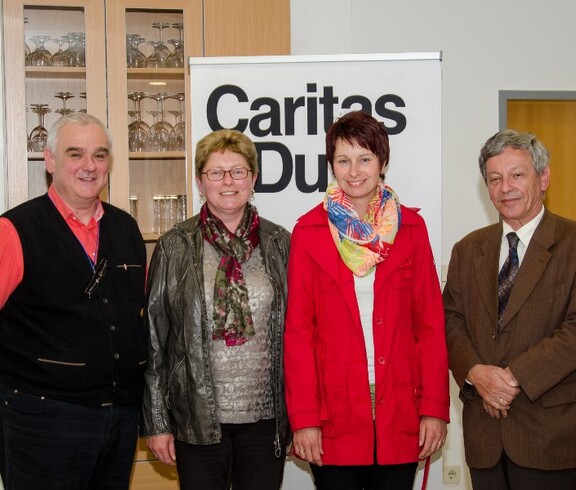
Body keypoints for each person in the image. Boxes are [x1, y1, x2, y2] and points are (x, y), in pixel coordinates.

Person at [284, 110, 449, 490]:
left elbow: (430, 325)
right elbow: (298, 335)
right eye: (343, 160)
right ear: (331, 166)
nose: (354, 171)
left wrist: (434, 409)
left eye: (365, 158)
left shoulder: (411, 228)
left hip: (402, 411)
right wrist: (305, 419)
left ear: (382, 162)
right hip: (333, 417)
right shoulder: (309, 233)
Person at [0, 113, 147, 489]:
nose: (89, 166)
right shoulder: (13, 230)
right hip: (42, 419)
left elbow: (135, 317)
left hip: (119, 418)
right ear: (50, 160)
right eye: (75, 154)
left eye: (99, 155)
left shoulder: (126, 228)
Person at [142, 128, 290, 490]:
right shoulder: (174, 245)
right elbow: (155, 339)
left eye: (238, 171)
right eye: (216, 172)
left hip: (265, 419)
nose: (228, 181)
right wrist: (158, 422)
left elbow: (299, 333)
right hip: (196, 418)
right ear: (199, 180)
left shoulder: (279, 243)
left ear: (253, 179)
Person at [444, 129, 576, 489]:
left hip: (550, 438)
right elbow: (450, 320)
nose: (506, 188)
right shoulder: (467, 249)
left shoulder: (571, 243)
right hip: (485, 439)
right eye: (495, 179)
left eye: (517, 175)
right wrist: (476, 373)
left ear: (543, 177)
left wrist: (512, 378)